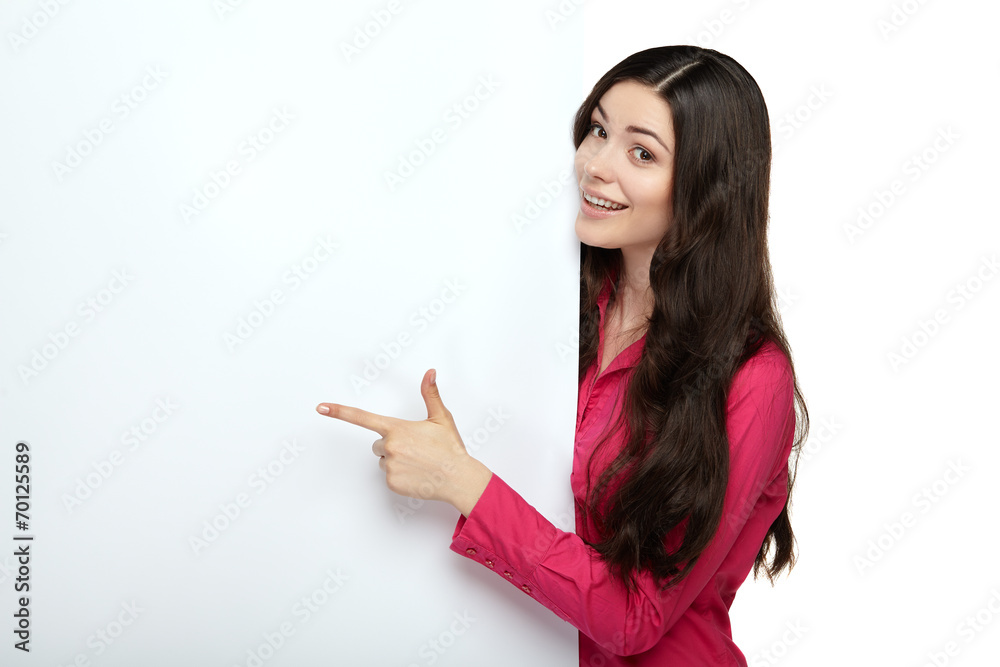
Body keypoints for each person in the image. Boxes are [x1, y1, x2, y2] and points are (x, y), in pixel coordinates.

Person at [315, 45, 810, 666]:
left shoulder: (753, 377)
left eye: (641, 152)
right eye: (598, 130)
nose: (595, 166)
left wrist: (462, 481)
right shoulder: (556, 306)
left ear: (707, 190)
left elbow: (636, 619)